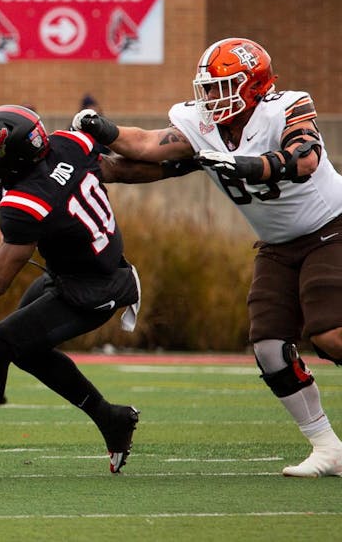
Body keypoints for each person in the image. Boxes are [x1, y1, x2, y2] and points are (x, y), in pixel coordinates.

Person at [73, 37, 342, 478]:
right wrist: (105, 131)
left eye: (223, 87)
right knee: (270, 346)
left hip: (331, 228)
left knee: (329, 334)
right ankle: (327, 446)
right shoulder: (202, 124)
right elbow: (147, 146)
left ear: (254, 86)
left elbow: (305, 157)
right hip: (277, 245)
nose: (212, 99)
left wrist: (251, 165)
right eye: (209, 88)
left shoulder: (287, 107)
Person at [0, 104, 177, 478]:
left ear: (15, 157)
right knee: (24, 350)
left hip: (92, 291)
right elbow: (120, 169)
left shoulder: (25, 202)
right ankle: (111, 418)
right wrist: (183, 166)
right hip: (83, 272)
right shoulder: (68, 145)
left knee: (0, 341)